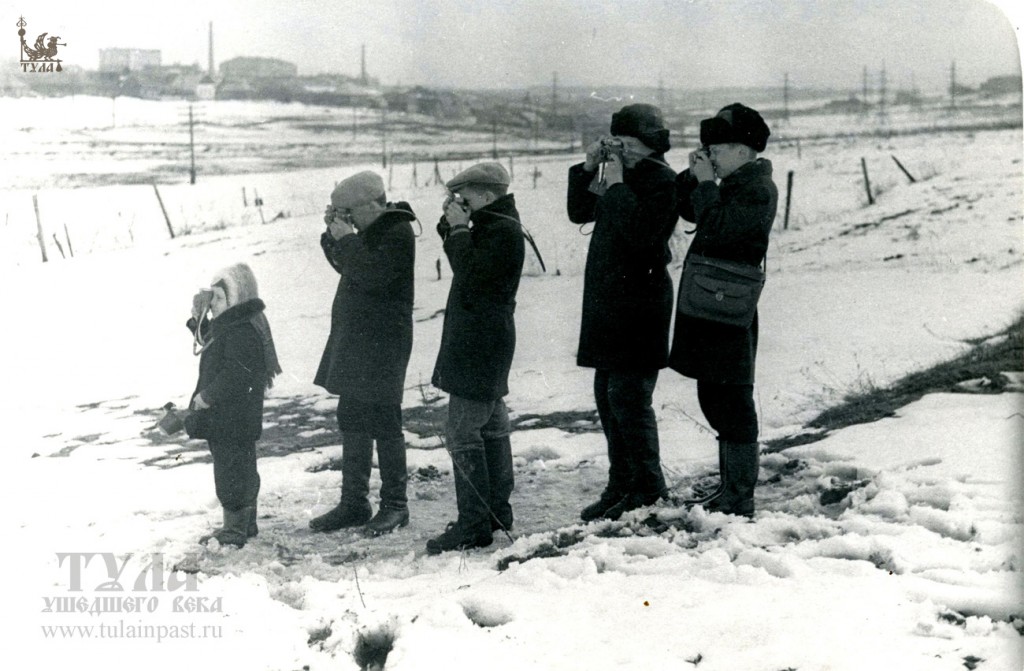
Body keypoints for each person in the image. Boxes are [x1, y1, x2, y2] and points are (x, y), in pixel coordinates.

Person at [566, 103, 678, 522]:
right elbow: (579, 212)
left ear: (650, 144)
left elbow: (642, 236)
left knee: (629, 397)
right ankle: (621, 485)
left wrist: (615, 185)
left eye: (628, 144)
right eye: (617, 143)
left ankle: (649, 489)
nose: (623, 152)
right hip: (608, 301)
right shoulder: (620, 174)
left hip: (641, 302)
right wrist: (587, 167)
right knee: (606, 396)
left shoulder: (663, 181)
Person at [670, 102, 778, 518]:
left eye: (717, 146)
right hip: (713, 304)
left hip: (729, 309)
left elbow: (717, 231)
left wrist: (706, 184)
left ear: (743, 150)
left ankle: (739, 495)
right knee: (713, 395)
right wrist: (694, 176)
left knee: (732, 400)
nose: (711, 153)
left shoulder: (757, 188)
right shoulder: (732, 182)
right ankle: (729, 489)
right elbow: (689, 209)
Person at [309, 171, 418, 537]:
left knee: (385, 419)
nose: (349, 220)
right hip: (357, 342)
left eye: (350, 213)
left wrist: (347, 240)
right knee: (352, 415)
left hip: (384, 344)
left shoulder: (398, 230)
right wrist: (333, 237)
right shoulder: (370, 230)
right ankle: (354, 503)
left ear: (374, 204)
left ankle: (395, 506)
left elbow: (372, 275)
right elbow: (348, 266)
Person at [427, 162, 525, 555]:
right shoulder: (495, 222)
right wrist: (455, 223)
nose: (458, 204)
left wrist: (459, 229)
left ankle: (473, 524)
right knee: (491, 424)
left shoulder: (500, 231)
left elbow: (468, 271)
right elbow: (456, 244)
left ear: (485, 196)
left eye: (464, 196)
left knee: (464, 431)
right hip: (486, 340)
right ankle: (497, 513)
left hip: (479, 343)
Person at [185, 262, 281, 548]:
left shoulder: (240, 331)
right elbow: (210, 339)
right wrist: (198, 318)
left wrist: (207, 396)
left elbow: (235, 374)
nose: (212, 303)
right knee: (241, 469)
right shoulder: (235, 324)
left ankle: (234, 529)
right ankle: (245, 523)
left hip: (230, 418)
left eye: (218, 298)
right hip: (235, 419)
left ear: (237, 299)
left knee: (231, 472)